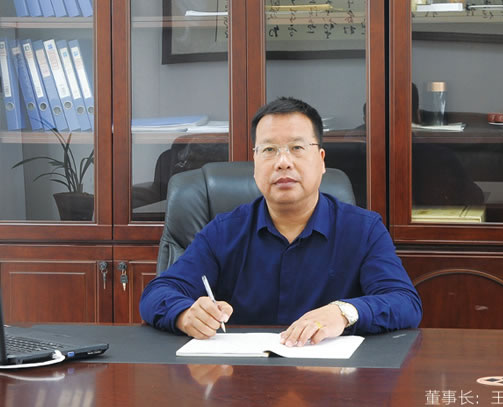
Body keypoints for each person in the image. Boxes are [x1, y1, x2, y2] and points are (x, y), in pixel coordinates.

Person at [140, 97, 422, 347]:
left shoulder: (364, 230)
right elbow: (157, 293)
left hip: (331, 378)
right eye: (269, 150)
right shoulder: (223, 232)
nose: (283, 162)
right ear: (255, 162)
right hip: (240, 377)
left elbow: (404, 302)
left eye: (297, 147)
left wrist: (343, 312)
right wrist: (185, 314)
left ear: (321, 160)